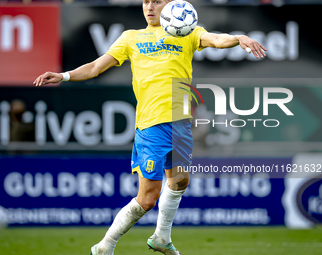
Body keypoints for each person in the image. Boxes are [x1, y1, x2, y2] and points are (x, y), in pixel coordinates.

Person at [33, 1, 267, 254]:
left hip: (180, 125)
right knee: (147, 199)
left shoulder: (187, 32)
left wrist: (238, 38)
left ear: (170, 5)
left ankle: (161, 238)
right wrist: (64, 76)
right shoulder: (131, 38)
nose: (150, 7)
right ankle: (105, 246)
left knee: (179, 182)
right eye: (146, 1)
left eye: (157, 1)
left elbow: (217, 40)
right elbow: (95, 67)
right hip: (152, 125)